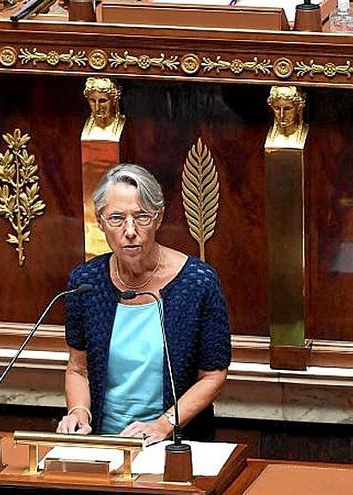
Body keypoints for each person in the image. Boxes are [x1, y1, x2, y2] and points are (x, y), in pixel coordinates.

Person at [57, 164, 231, 443]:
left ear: (159, 218)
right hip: (106, 443)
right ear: (100, 222)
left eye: (141, 217)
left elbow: (213, 375)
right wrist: (79, 413)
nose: (130, 230)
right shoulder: (85, 282)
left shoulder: (198, 282)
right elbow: (79, 369)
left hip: (175, 444)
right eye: (116, 218)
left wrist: (163, 426)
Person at [81, 77, 125, 142]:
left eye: (102, 101)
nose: (97, 107)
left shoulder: (124, 125)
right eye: (92, 101)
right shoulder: (85, 126)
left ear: (114, 100)